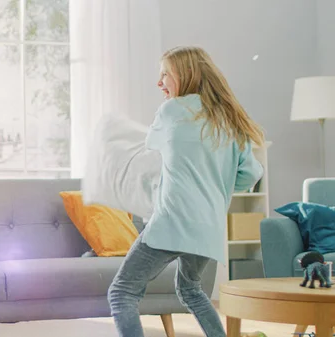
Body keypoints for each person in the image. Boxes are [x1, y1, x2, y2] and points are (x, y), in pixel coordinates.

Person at [107, 46, 264, 337]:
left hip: (172, 221)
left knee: (122, 292)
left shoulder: (172, 110)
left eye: (165, 74)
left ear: (186, 74)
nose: (159, 83)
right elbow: (252, 173)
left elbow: (152, 145)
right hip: (208, 227)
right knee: (191, 291)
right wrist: (216, 190)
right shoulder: (229, 119)